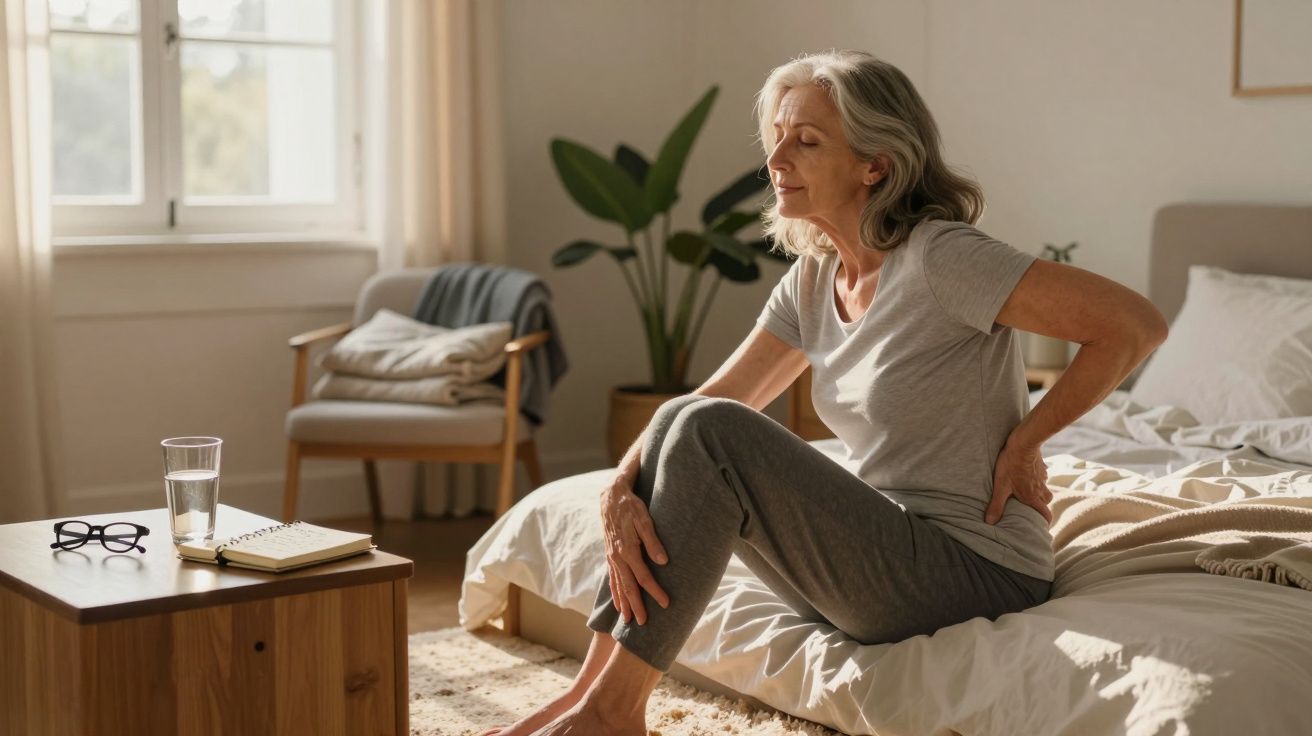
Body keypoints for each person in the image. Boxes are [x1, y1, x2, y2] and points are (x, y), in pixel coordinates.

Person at [481, 49, 1168, 736]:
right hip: (879, 556)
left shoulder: (943, 257)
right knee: (684, 422)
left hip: (976, 568)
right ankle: (592, 701)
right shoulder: (813, 280)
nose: (776, 160)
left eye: (806, 142)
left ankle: (610, 714)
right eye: (777, 137)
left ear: (877, 164)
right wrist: (620, 485)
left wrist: (1027, 440)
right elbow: (712, 399)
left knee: (708, 432)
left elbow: (1133, 326)